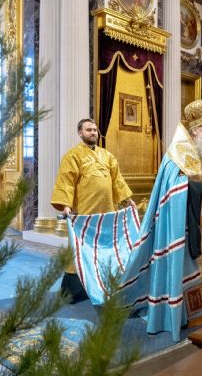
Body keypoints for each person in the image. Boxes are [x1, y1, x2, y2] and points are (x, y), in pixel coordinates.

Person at [118, 99, 202, 342]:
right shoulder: (176, 155)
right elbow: (172, 190)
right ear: (194, 130)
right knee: (187, 267)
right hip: (184, 227)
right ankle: (185, 313)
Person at [51, 118, 133, 303]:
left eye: (95, 130)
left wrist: (127, 200)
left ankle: (105, 286)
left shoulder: (107, 156)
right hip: (85, 214)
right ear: (80, 133)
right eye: (89, 130)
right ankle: (74, 291)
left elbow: (117, 180)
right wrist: (66, 207)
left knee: (105, 250)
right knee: (81, 251)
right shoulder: (72, 156)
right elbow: (66, 182)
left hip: (107, 212)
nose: (93, 132)